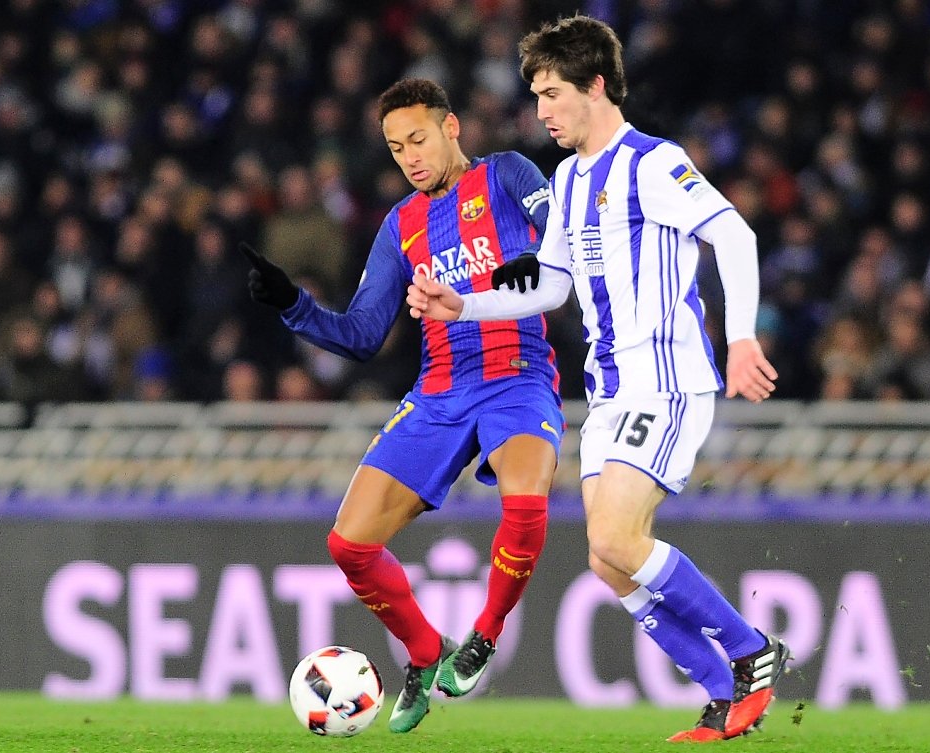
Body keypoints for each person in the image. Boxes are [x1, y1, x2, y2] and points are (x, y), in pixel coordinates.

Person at [407, 16, 790, 743]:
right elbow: (550, 284)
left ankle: (751, 653)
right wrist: (465, 303)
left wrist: (741, 338)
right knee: (609, 561)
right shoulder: (570, 178)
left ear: (597, 86)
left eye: (552, 93)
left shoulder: (651, 163)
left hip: (666, 378)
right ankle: (720, 698)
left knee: (617, 535)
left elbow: (732, 232)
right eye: (537, 95)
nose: (541, 110)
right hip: (610, 390)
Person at [240, 78, 563, 733]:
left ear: (452, 128)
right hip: (441, 389)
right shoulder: (401, 224)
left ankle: (483, 636)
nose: (409, 156)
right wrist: (290, 302)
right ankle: (424, 648)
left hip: (518, 375)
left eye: (417, 139)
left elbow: (562, 233)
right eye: (395, 148)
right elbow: (360, 334)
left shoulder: (506, 175)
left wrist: (534, 258)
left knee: (527, 500)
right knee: (348, 544)